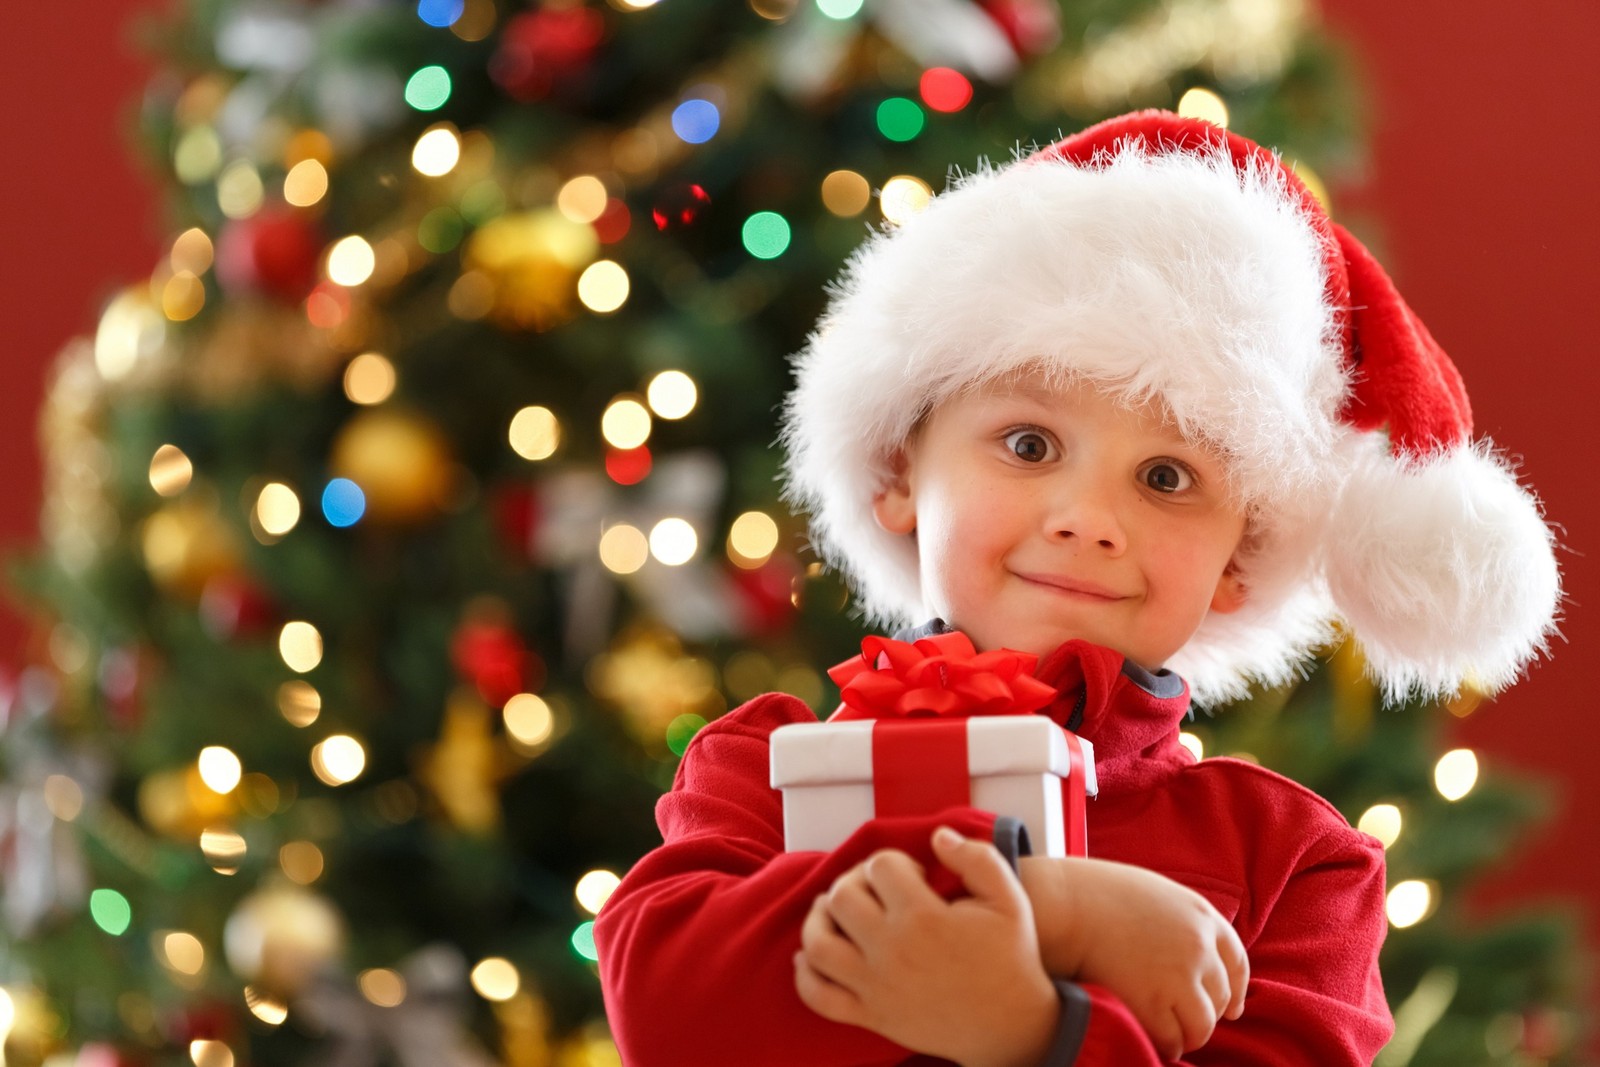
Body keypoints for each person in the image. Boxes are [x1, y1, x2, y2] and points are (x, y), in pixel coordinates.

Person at [593, 111, 1561, 1066]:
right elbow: (668, 1013)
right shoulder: (764, 767)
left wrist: (1038, 1032)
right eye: (1027, 444)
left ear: (1237, 562)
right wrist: (1047, 905)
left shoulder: (1294, 860)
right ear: (896, 471)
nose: (1087, 517)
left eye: (1166, 477)